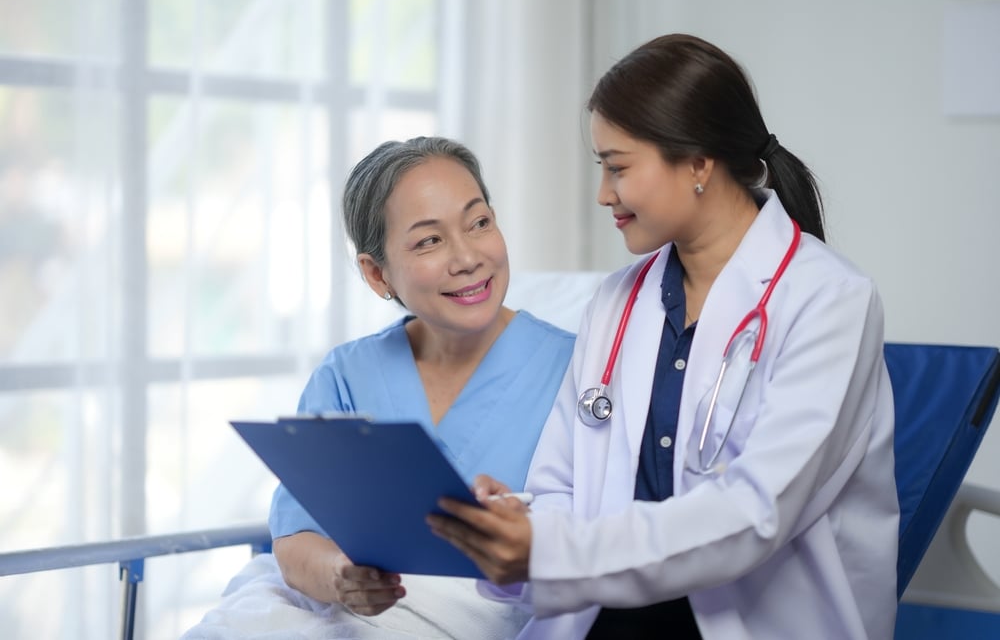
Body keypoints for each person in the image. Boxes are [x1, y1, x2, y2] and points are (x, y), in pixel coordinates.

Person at [428, 33, 899, 639]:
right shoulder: (616, 303)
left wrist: (549, 552)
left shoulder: (830, 301)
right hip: (606, 618)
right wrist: (513, 526)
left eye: (617, 167)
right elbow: (562, 488)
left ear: (699, 162)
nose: (604, 194)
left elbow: (754, 515)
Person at [185, 137, 575, 640]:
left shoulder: (579, 369)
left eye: (479, 223)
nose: (467, 258)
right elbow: (296, 536)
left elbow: (597, 535)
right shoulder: (347, 375)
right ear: (376, 274)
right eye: (429, 241)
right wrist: (343, 579)